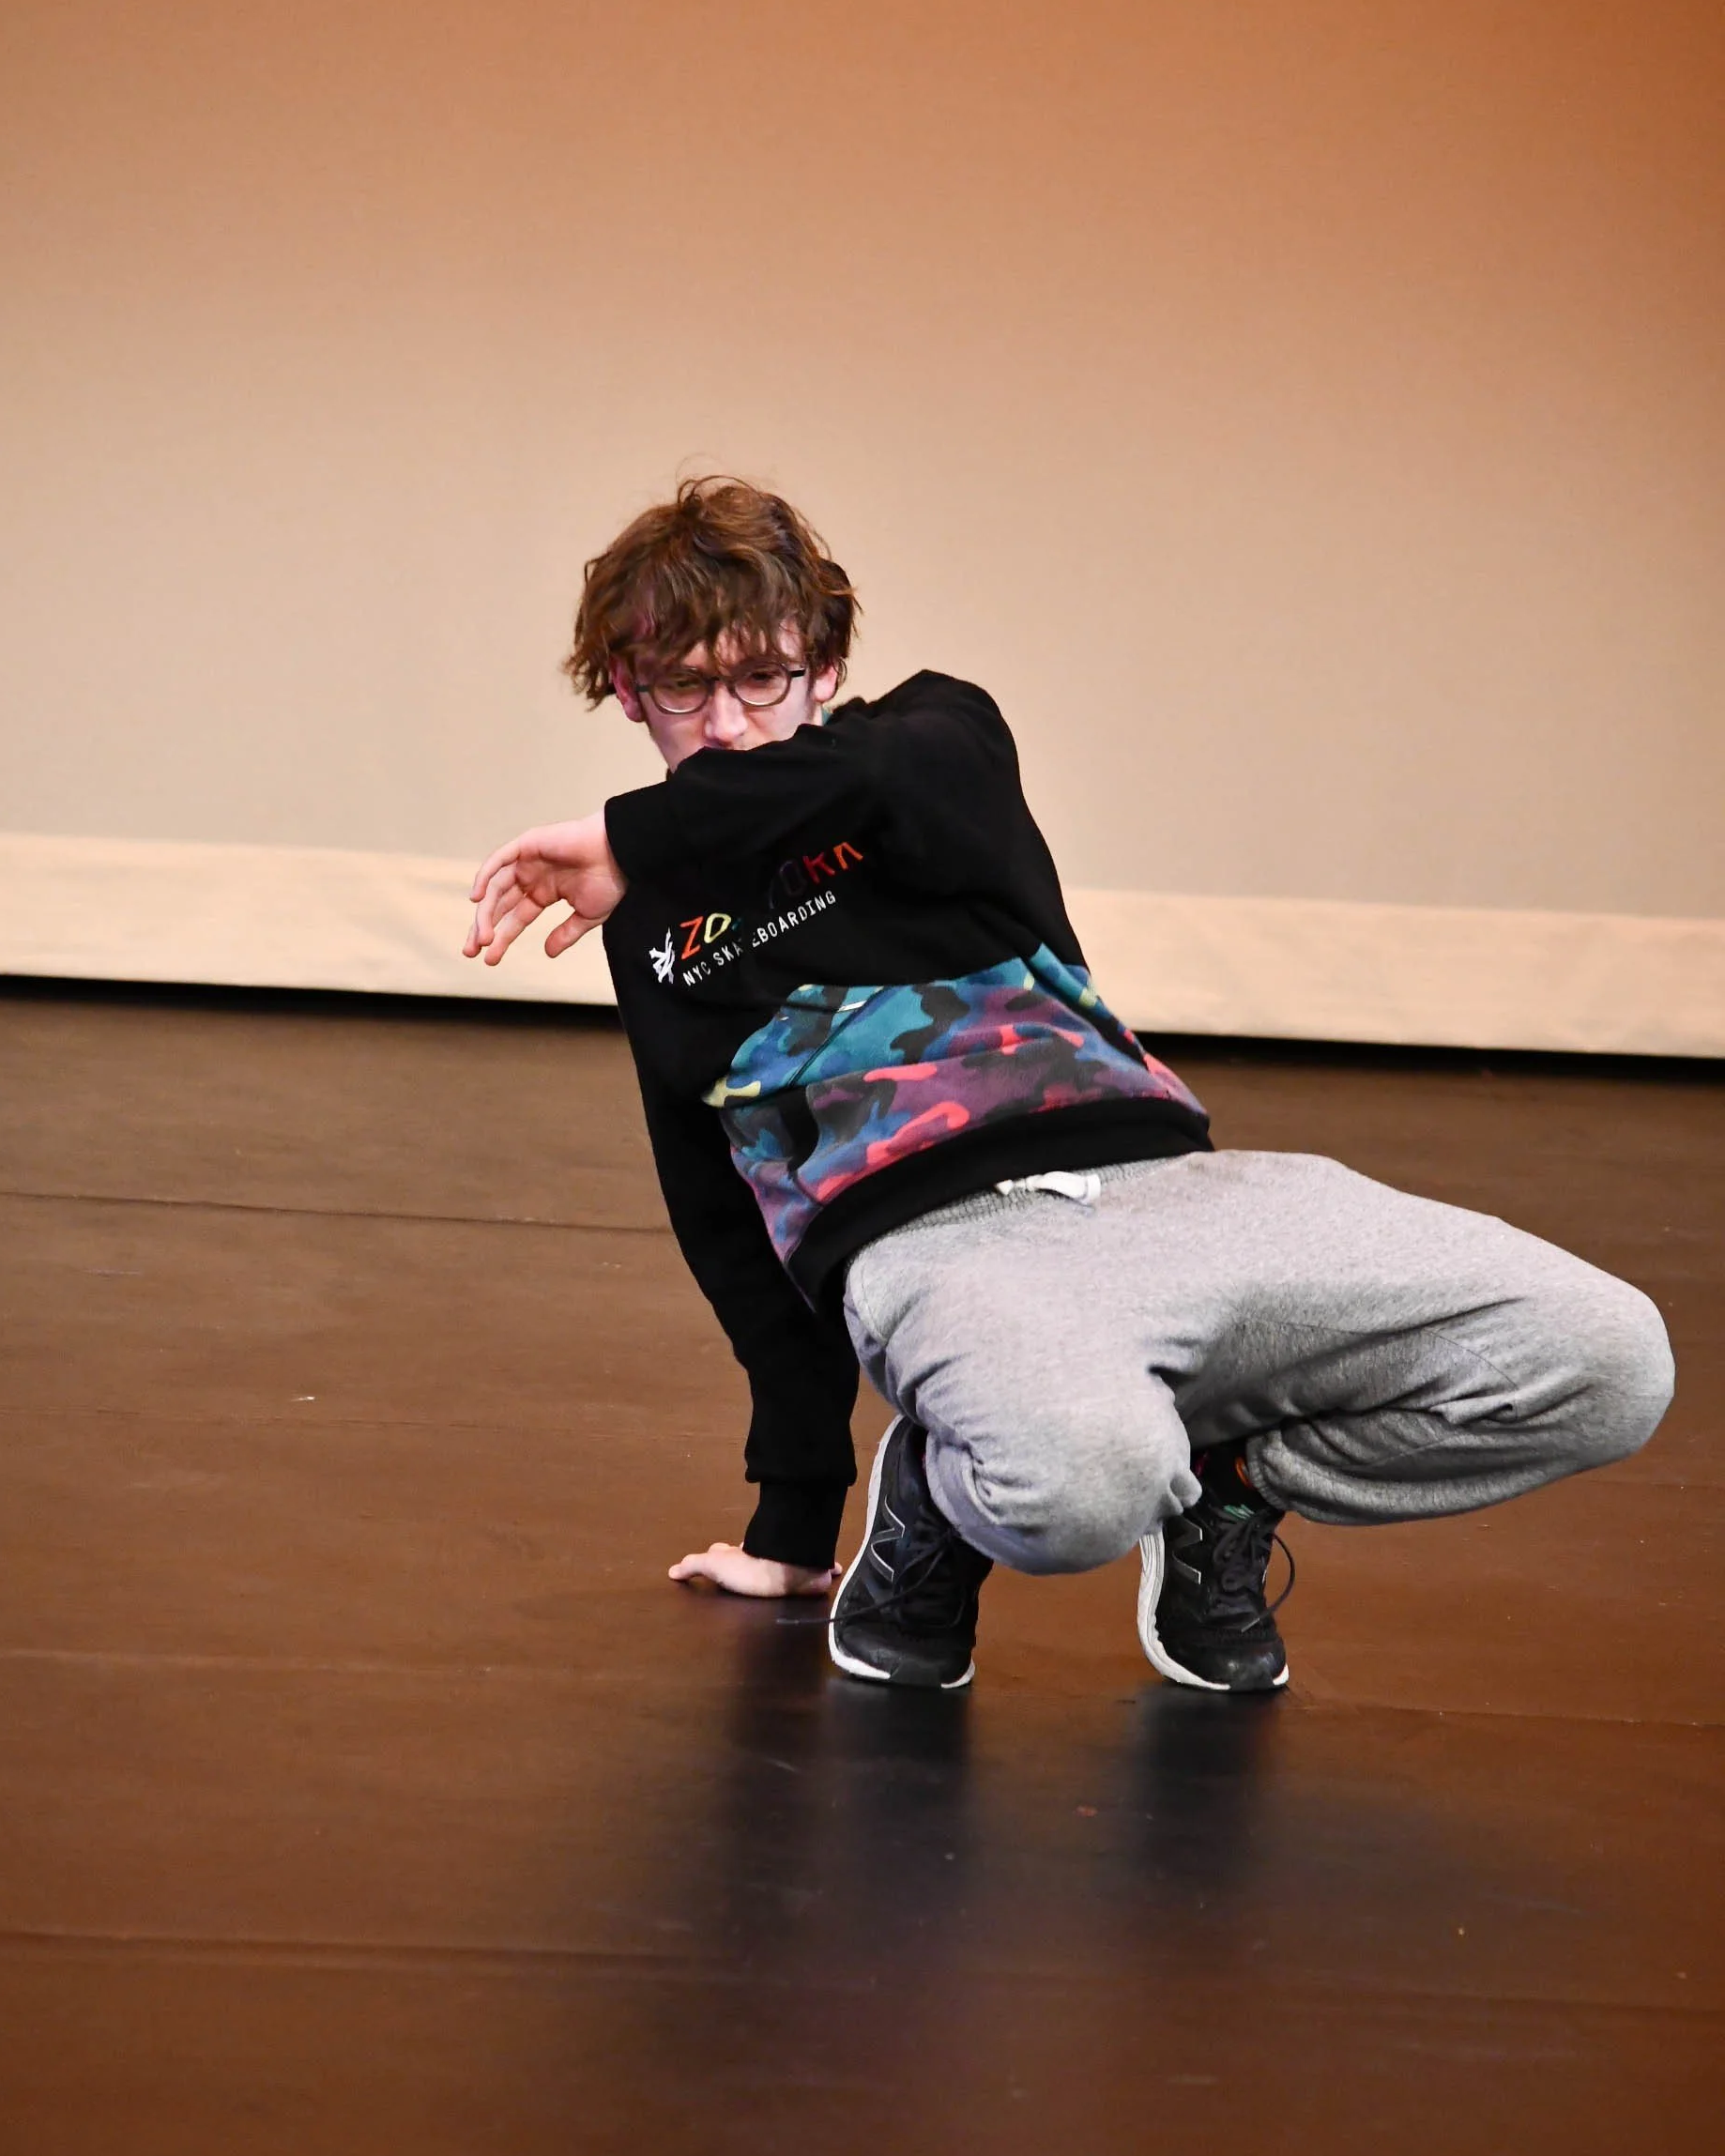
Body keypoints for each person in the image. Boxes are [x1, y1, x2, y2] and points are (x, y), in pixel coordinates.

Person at [464, 478, 1674, 1694]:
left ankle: (1226, 1494)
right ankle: (934, 1497)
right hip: (936, 1239)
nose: (725, 724)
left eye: (762, 676)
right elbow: (723, 1215)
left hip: (1164, 1192)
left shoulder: (935, 748)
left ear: (824, 666)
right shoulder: (656, 930)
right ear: (627, 691)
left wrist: (648, 831)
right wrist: (793, 1518)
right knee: (1086, 1487)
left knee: (1610, 1361)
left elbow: (878, 777)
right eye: (683, 687)